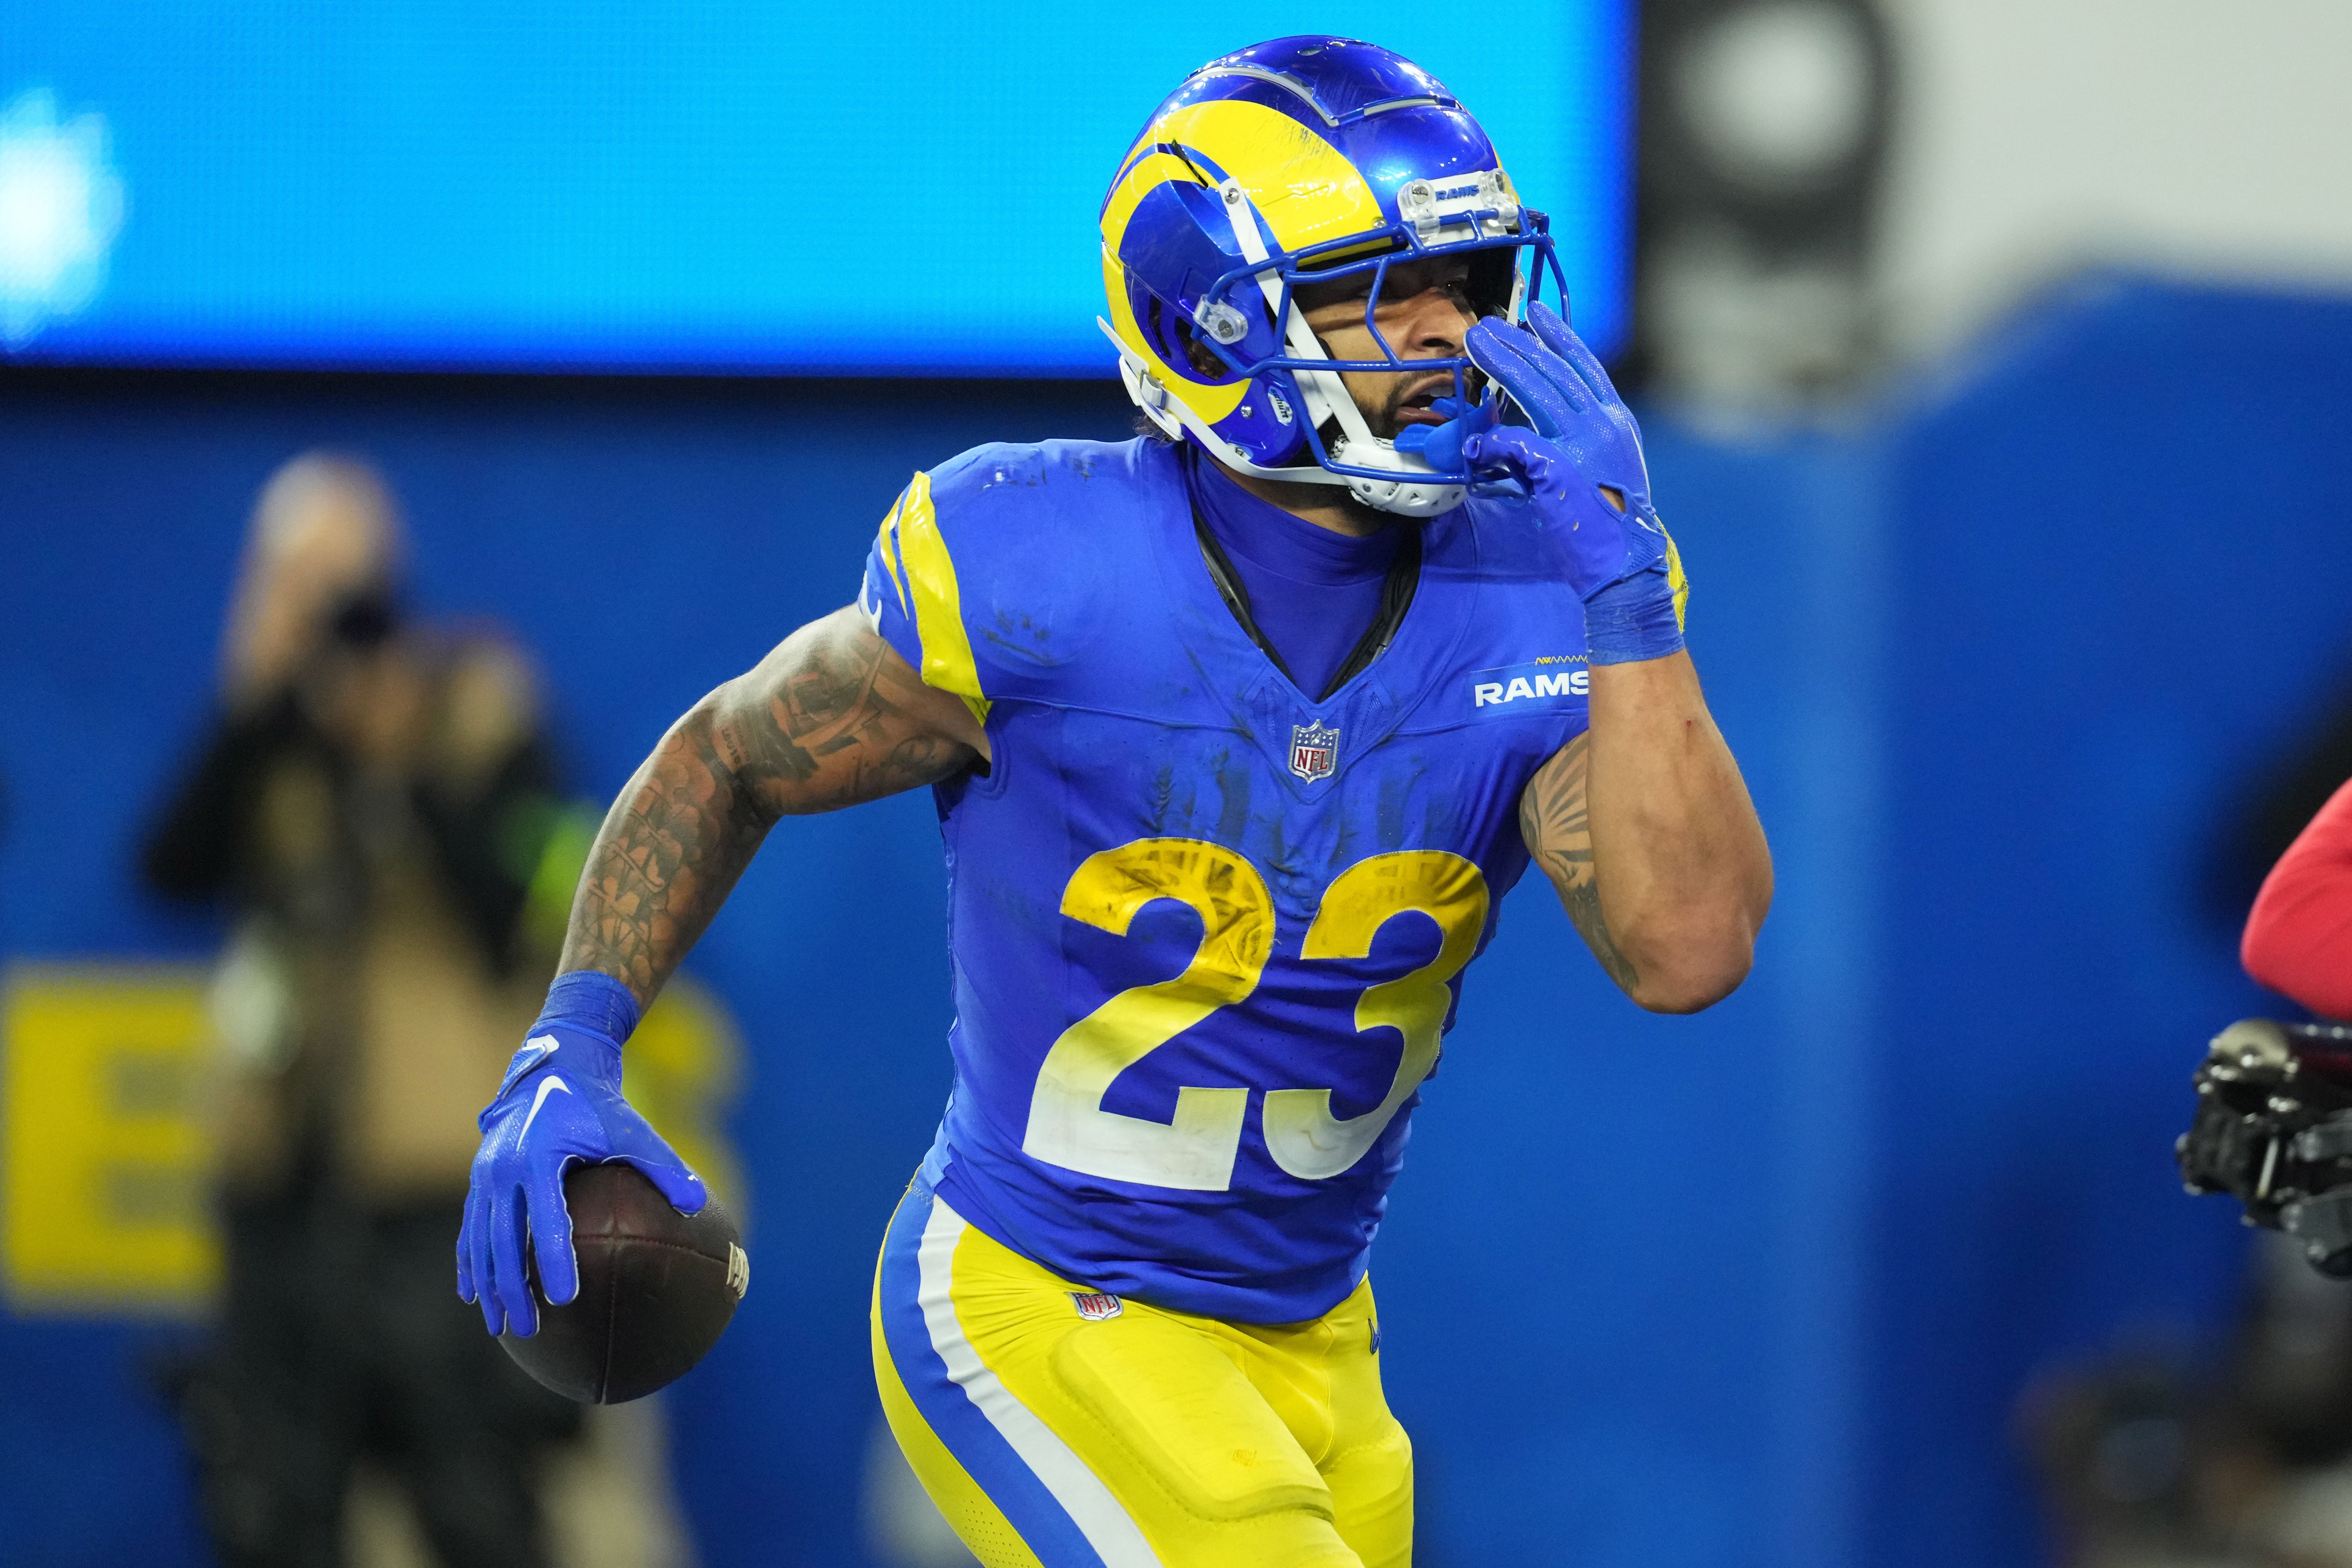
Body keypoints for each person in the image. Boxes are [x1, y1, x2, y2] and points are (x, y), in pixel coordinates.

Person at [461, 37, 1772, 1568]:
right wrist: (572, 1037)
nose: (1449, 336)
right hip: (1039, 1302)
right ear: (1215, 324)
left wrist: (1629, 598)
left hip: (1313, 1342)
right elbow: (730, 753)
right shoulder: (1037, 572)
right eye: (1381, 291)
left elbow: (1687, 950)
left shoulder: (1544, 588)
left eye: (1468, 283)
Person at [145, 454, 585, 1568]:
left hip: (437, 1199)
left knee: (476, 1504)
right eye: (294, 581)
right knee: (274, 1511)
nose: (328, 611)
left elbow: (529, 901)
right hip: (284, 1191)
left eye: (344, 581)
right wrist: (248, 707)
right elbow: (168, 871)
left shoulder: (476, 702)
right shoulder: (267, 731)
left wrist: (405, 766)